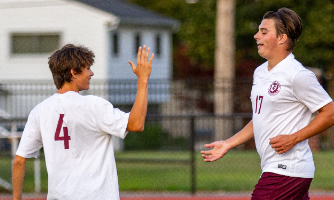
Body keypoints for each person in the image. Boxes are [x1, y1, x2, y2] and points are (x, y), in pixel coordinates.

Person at [201, 7, 334, 200]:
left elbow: (329, 113)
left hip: (287, 170)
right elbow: (260, 118)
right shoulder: (260, 72)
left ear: (282, 38)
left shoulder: (298, 75)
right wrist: (228, 144)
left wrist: (294, 138)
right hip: (279, 169)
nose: (256, 36)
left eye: (264, 32)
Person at [12, 43, 154, 200]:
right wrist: (143, 80)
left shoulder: (39, 111)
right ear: (73, 73)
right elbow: (136, 124)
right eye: (87, 68)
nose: (91, 73)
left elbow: (19, 160)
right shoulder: (93, 105)